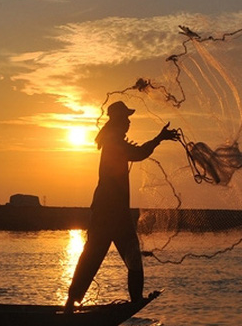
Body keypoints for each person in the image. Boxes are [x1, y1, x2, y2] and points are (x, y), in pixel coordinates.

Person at [65, 101, 179, 312]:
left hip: (117, 215)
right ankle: (70, 305)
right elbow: (138, 153)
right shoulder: (113, 144)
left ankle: (134, 301)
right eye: (125, 118)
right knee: (92, 257)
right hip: (106, 214)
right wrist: (159, 139)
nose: (129, 121)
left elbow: (134, 152)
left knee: (131, 255)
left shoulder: (115, 141)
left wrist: (155, 140)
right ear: (117, 120)